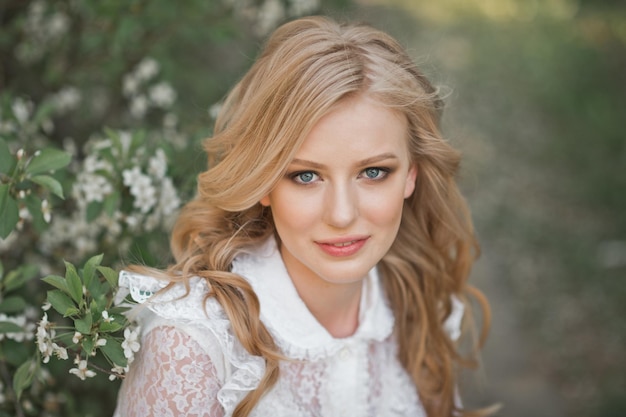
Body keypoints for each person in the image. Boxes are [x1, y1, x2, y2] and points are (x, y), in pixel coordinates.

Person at [113, 15, 491, 417]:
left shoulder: (421, 303)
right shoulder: (190, 347)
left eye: (373, 172)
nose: (342, 215)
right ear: (263, 182)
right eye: (306, 176)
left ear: (411, 174)